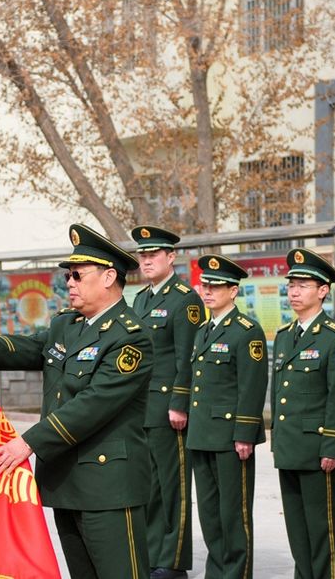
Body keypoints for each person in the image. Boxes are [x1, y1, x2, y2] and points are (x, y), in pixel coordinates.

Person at [0, 223, 154, 579]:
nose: (69, 283)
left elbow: (92, 405)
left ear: (108, 277)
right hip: (66, 481)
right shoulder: (68, 325)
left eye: (77, 275)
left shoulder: (130, 338)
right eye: (67, 276)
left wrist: (27, 443)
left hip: (108, 486)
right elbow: (30, 348)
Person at [271, 248, 335, 579]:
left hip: (318, 449)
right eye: (291, 285)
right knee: (297, 531)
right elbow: (279, 394)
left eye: (303, 285)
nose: (294, 292)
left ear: (323, 290)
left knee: (322, 530)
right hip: (291, 447)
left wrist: (334, 446)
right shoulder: (284, 337)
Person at [186, 254, 268, 579]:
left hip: (230, 439)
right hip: (202, 434)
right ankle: (216, 572)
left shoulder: (247, 332)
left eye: (216, 287)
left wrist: (245, 434)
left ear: (233, 291)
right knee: (209, 515)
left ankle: (235, 573)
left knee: (234, 515)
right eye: (205, 285)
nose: (208, 292)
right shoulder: (203, 331)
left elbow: (251, 387)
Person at [130, 226, 202, 579]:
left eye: (153, 254)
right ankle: (153, 551)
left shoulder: (184, 299)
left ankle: (172, 561)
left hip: (168, 407)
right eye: (142, 255)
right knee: (150, 484)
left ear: (171, 257)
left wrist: (180, 401)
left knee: (173, 487)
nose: (146, 260)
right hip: (142, 406)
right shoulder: (141, 299)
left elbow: (189, 356)